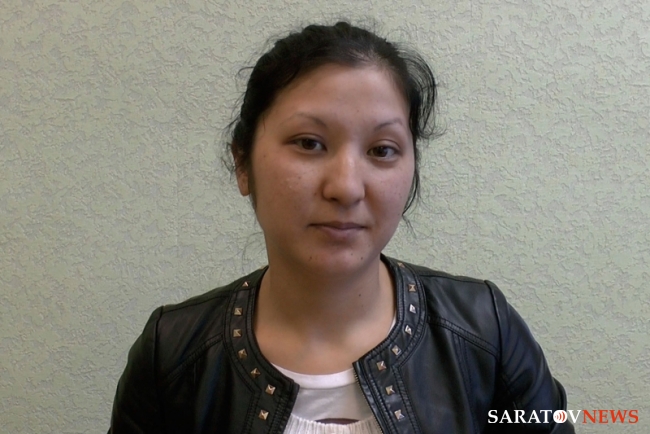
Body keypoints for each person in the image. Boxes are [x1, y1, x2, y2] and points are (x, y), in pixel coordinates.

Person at [109, 21, 574, 434]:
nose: (347, 187)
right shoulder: (174, 356)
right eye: (309, 143)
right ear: (243, 163)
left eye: (382, 150)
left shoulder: (484, 333)